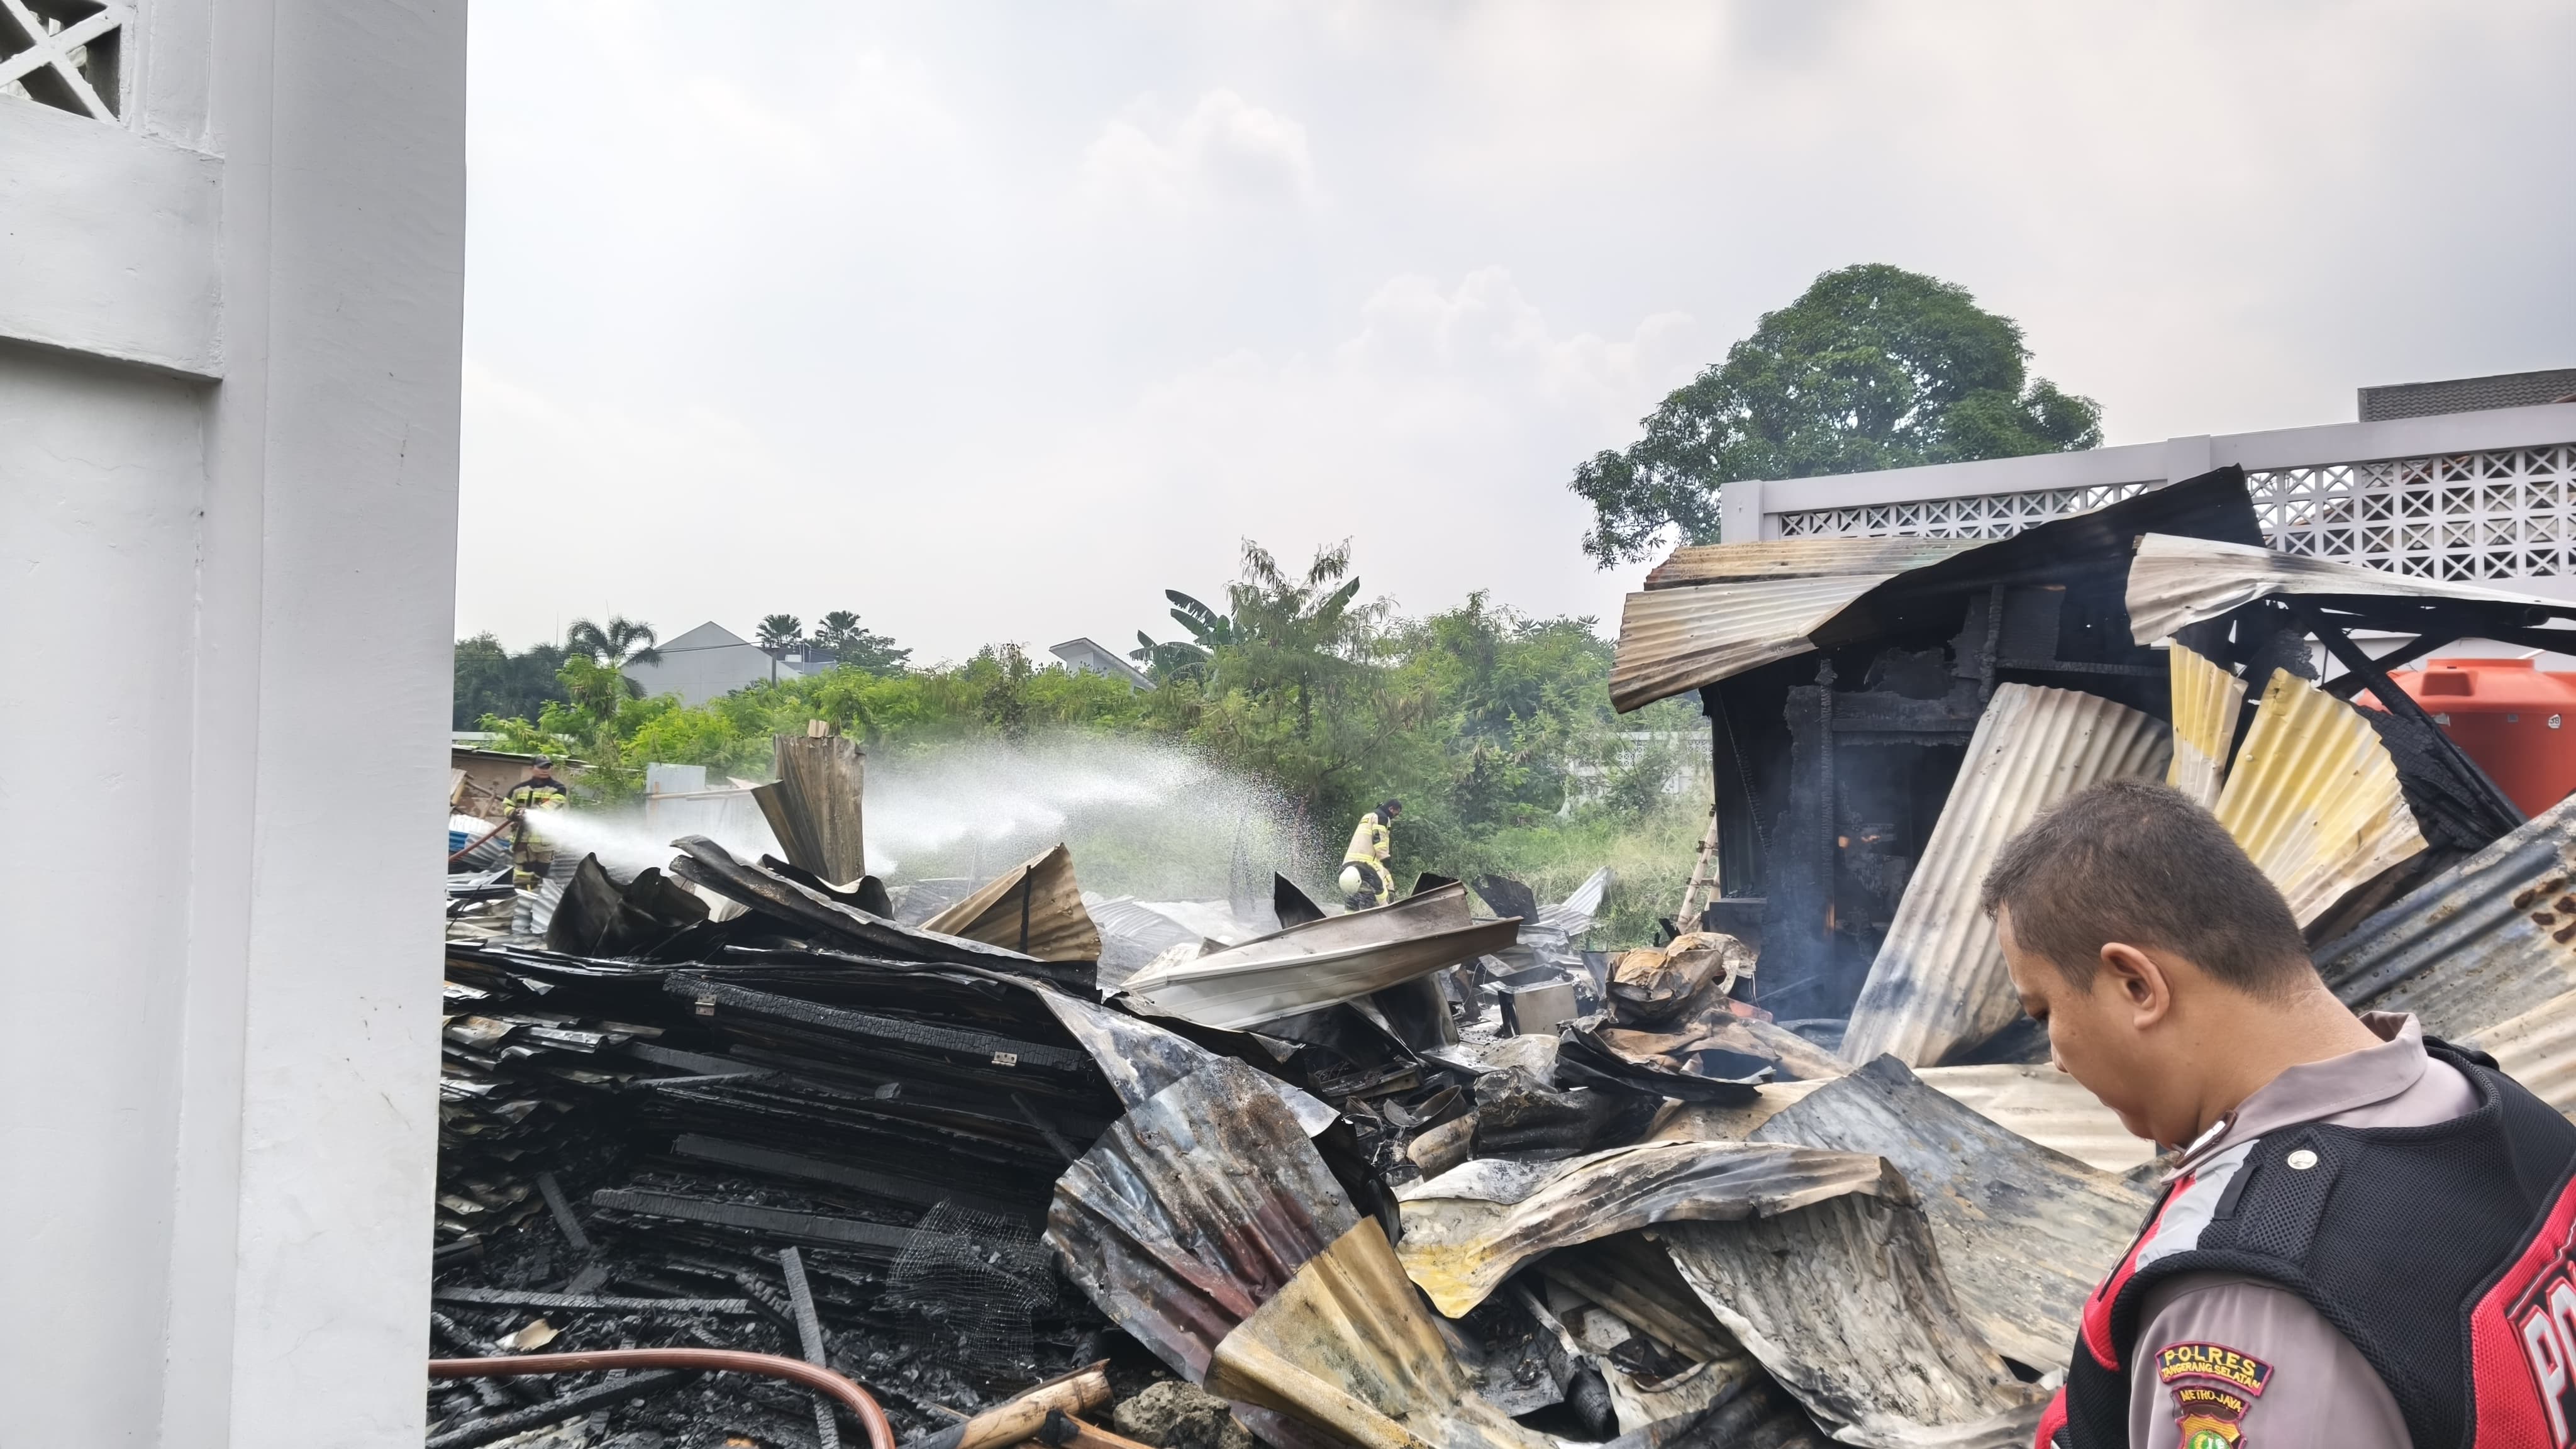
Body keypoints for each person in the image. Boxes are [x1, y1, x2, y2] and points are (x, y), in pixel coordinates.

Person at [1982, 778, 2576, 1449]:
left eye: (2043, 1013)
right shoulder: (2493, 1104)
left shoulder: (2244, 1303)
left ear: (2136, 984)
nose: (2055, 1057)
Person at [503, 755, 572, 888]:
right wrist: (514, 813)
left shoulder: (558, 789)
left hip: (546, 842)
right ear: (532, 768)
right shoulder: (519, 789)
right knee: (522, 872)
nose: (545, 770)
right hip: (523, 839)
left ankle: (535, 896)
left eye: (548, 767)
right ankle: (521, 895)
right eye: (541, 767)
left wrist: (531, 811)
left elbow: (554, 805)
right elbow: (507, 805)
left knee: (542, 872)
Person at [1338, 799, 1402, 910]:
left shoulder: (1367, 816)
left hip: (1348, 863)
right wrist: (1385, 858)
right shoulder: (1381, 817)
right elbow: (1379, 839)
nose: (1395, 816)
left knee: (1354, 892)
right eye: (1396, 814)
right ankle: (1387, 911)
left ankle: (1350, 917)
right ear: (1391, 809)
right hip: (1367, 863)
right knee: (1385, 885)